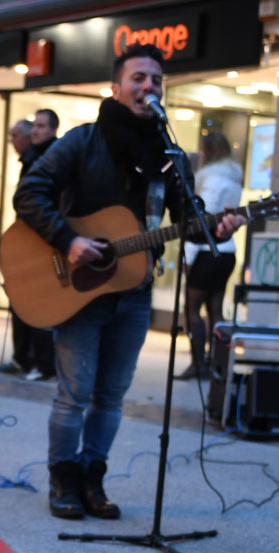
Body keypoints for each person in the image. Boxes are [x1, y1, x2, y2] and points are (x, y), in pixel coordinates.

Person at [13, 44, 243, 521]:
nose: (148, 87)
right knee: (74, 393)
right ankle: (62, 478)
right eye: (138, 78)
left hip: (134, 293)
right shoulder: (82, 141)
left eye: (156, 80)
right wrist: (68, 240)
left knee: (111, 396)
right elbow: (29, 192)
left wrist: (216, 227)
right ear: (116, 87)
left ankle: (92, 477)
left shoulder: (169, 155)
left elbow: (188, 219)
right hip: (80, 291)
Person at [0, 112, 58, 382]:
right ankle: (23, 358)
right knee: (21, 301)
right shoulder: (33, 158)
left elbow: (40, 205)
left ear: (53, 129)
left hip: (41, 242)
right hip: (28, 240)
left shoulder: (51, 159)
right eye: (33, 126)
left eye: (40, 126)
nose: (35, 131)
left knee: (38, 304)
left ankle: (43, 363)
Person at [179, 132, 241, 380]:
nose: (200, 154)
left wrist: (188, 257)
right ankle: (218, 365)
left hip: (207, 251)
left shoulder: (211, 178)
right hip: (227, 252)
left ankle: (199, 364)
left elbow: (201, 223)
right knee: (215, 309)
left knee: (192, 308)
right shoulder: (234, 176)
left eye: (203, 149)